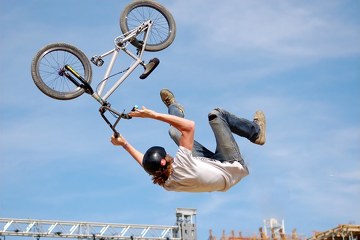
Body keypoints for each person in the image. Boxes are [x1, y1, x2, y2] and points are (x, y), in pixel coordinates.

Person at [110, 89, 266, 192]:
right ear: (164, 162)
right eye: (166, 155)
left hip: (211, 166)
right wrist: (153, 115)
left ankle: (175, 108)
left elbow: (145, 163)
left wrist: (124, 144)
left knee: (174, 131)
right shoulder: (181, 166)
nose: (169, 154)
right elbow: (189, 126)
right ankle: (255, 132)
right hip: (231, 166)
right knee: (216, 115)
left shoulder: (167, 182)